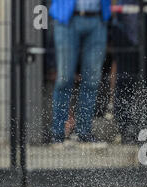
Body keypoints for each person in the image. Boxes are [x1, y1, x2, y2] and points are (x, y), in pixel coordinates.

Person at [49, 0, 111, 148]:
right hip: (67, 19)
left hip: (97, 19)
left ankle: (84, 133)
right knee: (64, 79)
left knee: (92, 80)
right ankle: (57, 134)